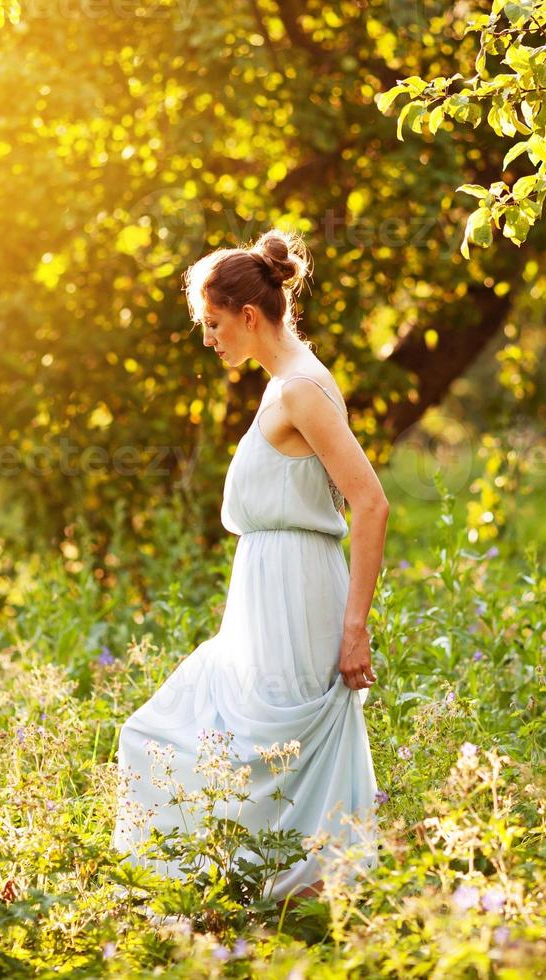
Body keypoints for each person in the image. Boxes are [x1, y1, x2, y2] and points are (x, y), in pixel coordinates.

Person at [112, 229, 389, 903]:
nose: (209, 340)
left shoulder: (301, 390)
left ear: (248, 316)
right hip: (267, 597)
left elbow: (372, 504)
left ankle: (294, 902)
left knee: (263, 749)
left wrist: (355, 627)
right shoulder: (283, 388)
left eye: (212, 325)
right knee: (203, 739)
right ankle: (257, 900)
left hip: (299, 597)